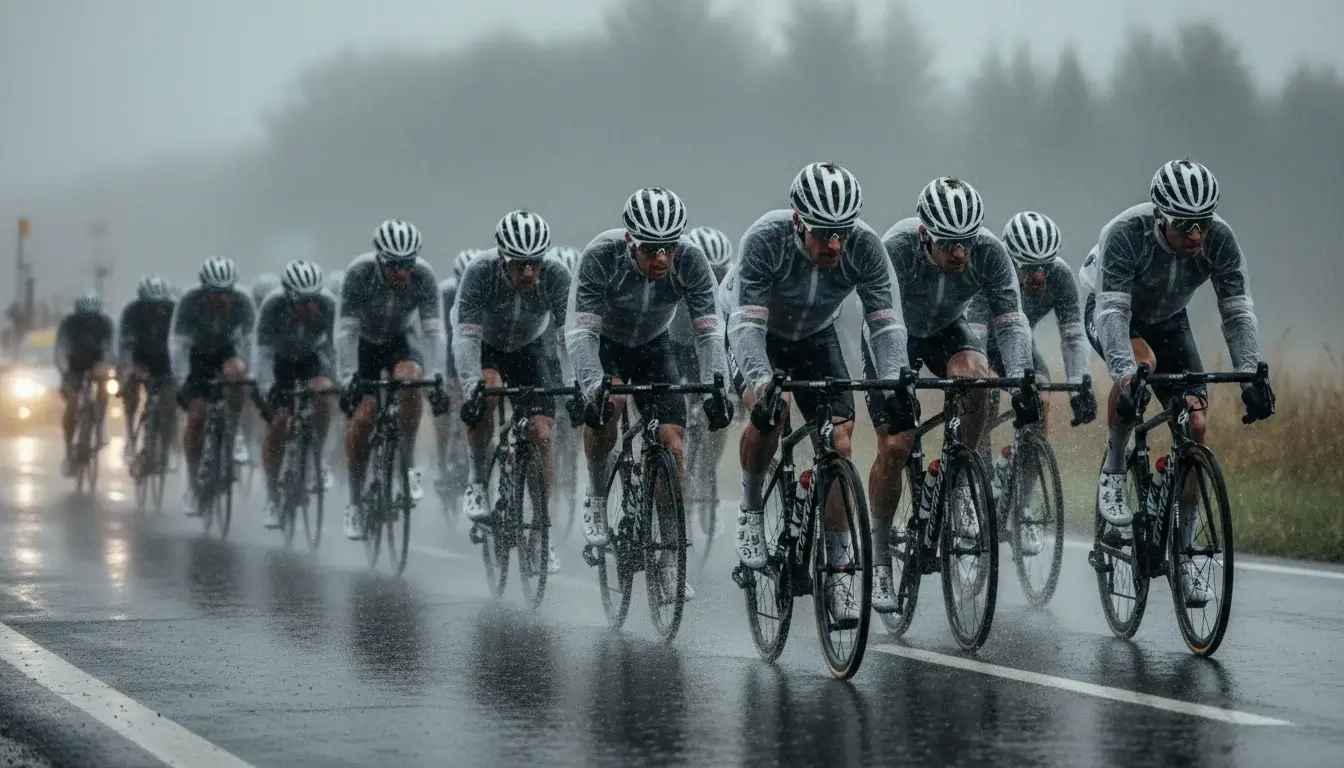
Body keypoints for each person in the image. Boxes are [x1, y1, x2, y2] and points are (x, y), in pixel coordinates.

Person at [1080, 158, 1275, 604]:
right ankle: (1114, 468)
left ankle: (1184, 557)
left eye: (1203, 222)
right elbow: (1113, 314)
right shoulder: (1125, 233)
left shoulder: (1220, 239)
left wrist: (1251, 373)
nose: (1196, 235)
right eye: (1185, 224)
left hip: (1168, 316)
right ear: (1159, 216)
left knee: (1196, 424)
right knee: (1141, 362)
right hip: (1110, 308)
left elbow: (1237, 311)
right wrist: (1126, 379)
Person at [727, 161, 913, 623]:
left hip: (814, 335)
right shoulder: (765, 240)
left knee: (840, 444)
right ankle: (750, 509)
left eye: (842, 234)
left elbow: (886, 326)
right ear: (798, 222)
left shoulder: (864, 247)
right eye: (824, 234)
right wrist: (764, 385)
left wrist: (896, 382)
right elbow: (746, 328)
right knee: (773, 413)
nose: (835, 245)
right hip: (761, 334)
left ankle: (838, 572)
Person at [863, 176, 1037, 613]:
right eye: (948, 244)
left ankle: (960, 476)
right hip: (891, 332)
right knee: (897, 445)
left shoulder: (989, 252)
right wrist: (896, 382)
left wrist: (1021, 378)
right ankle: (879, 560)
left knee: (979, 380)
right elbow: (881, 319)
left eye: (967, 242)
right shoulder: (897, 248)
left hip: (944, 329)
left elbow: (1011, 321)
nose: (960, 254)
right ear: (925, 234)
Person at [567, 187, 733, 602]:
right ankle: (596, 494)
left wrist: (717, 386)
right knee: (611, 405)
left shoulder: (691, 261)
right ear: (630, 242)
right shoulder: (601, 255)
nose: (661, 258)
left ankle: (672, 554)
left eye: (669, 247)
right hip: (605, 343)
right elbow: (581, 332)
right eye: (650, 249)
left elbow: (710, 333)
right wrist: (592, 387)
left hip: (654, 345)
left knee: (673, 444)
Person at [965, 211, 1098, 555]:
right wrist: (999, 382)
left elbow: (1073, 335)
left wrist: (1080, 383)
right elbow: (975, 337)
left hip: (1022, 347)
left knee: (1042, 401)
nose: (1039, 276)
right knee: (985, 395)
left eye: (1045, 267)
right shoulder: (991, 271)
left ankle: (1022, 508)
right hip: (979, 346)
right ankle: (979, 478)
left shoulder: (1060, 276)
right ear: (1011, 260)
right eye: (1029, 268)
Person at [455, 211, 569, 574]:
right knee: (487, 390)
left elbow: (569, 338)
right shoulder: (480, 271)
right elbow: (465, 336)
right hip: (487, 347)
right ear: (502, 257)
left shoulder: (557, 276)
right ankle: (477, 481)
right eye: (519, 264)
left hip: (530, 349)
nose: (528, 272)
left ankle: (541, 532)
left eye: (535, 263)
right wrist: (470, 387)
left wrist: (576, 387)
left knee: (542, 434)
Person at [336, 219, 450, 540]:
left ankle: (407, 463)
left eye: (408, 264)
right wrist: (348, 377)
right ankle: (354, 502)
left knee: (412, 381)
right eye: (394, 265)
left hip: (400, 340)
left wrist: (438, 377)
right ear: (379, 259)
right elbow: (345, 333)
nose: (402, 272)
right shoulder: (359, 274)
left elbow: (434, 333)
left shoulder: (424, 276)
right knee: (364, 417)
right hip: (364, 345)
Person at [254, 259, 337, 529]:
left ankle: (317, 459)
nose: (311, 306)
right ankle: (271, 497)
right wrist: (268, 390)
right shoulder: (272, 306)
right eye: (303, 301)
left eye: (314, 299)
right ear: (289, 297)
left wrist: (339, 381)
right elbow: (262, 354)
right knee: (279, 421)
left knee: (323, 393)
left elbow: (336, 347)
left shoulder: (328, 305)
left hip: (312, 357)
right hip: (279, 361)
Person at [170, 257, 257, 514]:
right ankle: (192, 481)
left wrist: (250, 374)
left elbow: (252, 343)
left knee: (238, 373)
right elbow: (177, 346)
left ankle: (234, 432)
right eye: (217, 293)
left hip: (227, 352)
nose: (224, 298)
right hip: (197, 356)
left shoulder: (243, 302)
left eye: (228, 291)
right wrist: (182, 380)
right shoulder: (189, 302)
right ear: (205, 289)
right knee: (197, 416)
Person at [672, 226, 735, 535]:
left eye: (719, 273)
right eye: (710, 272)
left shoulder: (730, 289)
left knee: (720, 411)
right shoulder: (676, 276)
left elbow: (732, 340)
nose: (714, 280)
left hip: (706, 348)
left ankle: (708, 471)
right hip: (673, 344)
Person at [115, 274, 178, 470]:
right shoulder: (131, 313)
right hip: (138, 360)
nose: (156, 309)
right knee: (130, 393)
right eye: (151, 305)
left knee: (170, 403)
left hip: (165, 362)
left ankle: (167, 447)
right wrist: (129, 369)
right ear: (142, 302)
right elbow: (124, 346)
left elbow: (181, 343)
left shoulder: (174, 311)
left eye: (160, 304)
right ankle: (130, 438)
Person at [55, 291, 115, 476]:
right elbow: (61, 350)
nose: (89, 321)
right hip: (73, 367)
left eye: (92, 317)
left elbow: (111, 348)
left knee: (104, 391)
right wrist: (65, 371)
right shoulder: (68, 325)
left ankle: (100, 425)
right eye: (85, 317)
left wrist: (106, 365)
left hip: (97, 364)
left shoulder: (106, 324)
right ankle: (68, 449)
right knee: (72, 404)